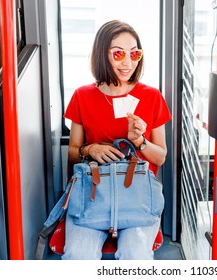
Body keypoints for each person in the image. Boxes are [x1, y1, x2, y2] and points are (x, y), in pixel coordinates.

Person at [62, 20, 172, 260]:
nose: (128, 62)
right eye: (119, 54)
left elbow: (161, 157)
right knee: (78, 255)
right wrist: (89, 149)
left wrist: (141, 141)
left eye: (134, 53)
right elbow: (71, 153)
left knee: (136, 255)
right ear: (103, 54)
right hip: (93, 195)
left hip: (138, 199)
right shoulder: (82, 96)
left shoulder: (152, 96)